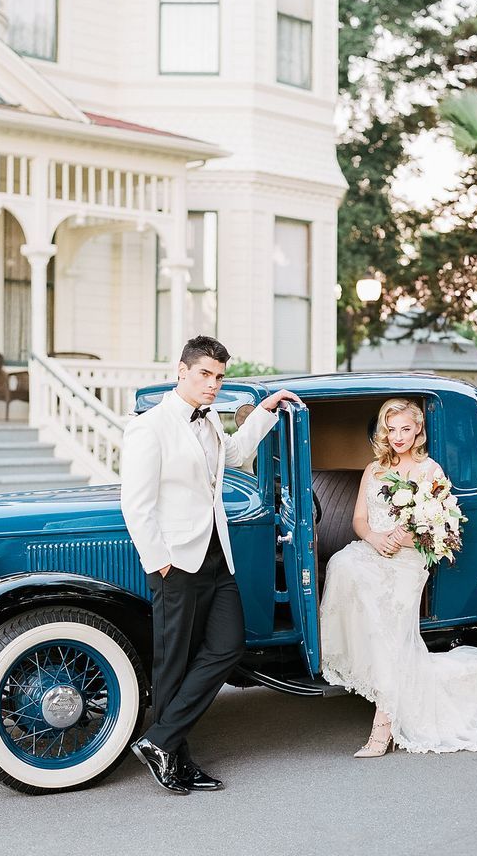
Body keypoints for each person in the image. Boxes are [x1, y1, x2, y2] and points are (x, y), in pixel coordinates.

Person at [122, 335, 302, 793]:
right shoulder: (150, 427)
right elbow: (136, 505)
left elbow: (236, 456)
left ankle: (160, 740)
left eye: (219, 377)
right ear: (181, 371)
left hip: (217, 555)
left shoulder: (210, 424)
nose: (213, 385)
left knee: (227, 646)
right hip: (176, 562)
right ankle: (175, 761)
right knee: (173, 665)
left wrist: (266, 411)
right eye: (205, 374)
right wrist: (159, 562)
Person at [320, 397, 477, 757]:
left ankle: (383, 727)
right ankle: (375, 680)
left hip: (407, 561)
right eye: (391, 429)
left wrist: (403, 537)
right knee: (343, 564)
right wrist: (376, 537)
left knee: (390, 626)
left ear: (419, 429)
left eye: (405, 429)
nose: (398, 436)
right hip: (373, 552)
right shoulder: (373, 469)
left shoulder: (430, 471)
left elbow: (441, 529)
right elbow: (359, 519)